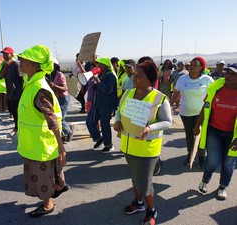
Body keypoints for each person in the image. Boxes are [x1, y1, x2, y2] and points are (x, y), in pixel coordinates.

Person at [114, 61, 171, 225]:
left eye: (139, 76)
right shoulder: (128, 94)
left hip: (147, 150)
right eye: (134, 75)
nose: (134, 78)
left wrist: (150, 128)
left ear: (150, 78)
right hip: (128, 146)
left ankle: (151, 210)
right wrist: (117, 121)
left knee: (145, 184)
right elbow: (119, 111)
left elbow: (167, 121)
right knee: (135, 178)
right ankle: (138, 204)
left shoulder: (160, 98)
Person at [17, 44, 68, 217]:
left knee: (42, 176)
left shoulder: (39, 88)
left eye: (23, 60)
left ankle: (48, 205)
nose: (20, 62)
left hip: (41, 143)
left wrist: (61, 146)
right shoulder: (31, 83)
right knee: (46, 173)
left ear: (35, 65)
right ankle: (59, 186)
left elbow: (52, 119)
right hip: (34, 141)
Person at [193, 63, 237, 200]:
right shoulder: (216, 87)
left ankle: (222, 187)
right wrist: (197, 125)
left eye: (232, 74)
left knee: (228, 163)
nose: (227, 76)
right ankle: (205, 180)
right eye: (227, 73)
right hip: (214, 131)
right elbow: (205, 107)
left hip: (233, 135)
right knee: (212, 159)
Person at [170, 56, 214, 168]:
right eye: (191, 64)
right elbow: (176, 93)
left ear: (201, 68)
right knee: (189, 135)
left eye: (195, 65)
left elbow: (214, 93)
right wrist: (169, 105)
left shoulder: (207, 79)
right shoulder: (182, 79)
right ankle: (190, 155)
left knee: (202, 135)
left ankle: (201, 156)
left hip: (202, 113)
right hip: (186, 113)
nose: (192, 67)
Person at [86, 57, 118, 153]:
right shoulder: (100, 75)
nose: (98, 66)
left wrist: (99, 82)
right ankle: (98, 138)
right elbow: (97, 88)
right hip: (97, 103)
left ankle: (108, 145)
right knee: (89, 122)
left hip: (106, 105)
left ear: (106, 66)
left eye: (100, 64)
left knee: (105, 125)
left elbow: (109, 90)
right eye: (98, 64)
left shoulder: (111, 76)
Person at [0, 47, 23, 136]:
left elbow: (21, 78)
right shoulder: (4, 65)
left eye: (6, 54)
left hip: (17, 92)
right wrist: (5, 67)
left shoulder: (16, 64)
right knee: (11, 110)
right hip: (9, 92)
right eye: (3, 54)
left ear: (11, 55)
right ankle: (18, 126)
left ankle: (17, 128)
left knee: (16, 111)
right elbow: (0, 76)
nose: (4, 56)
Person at [49, 63, 73, 143]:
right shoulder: (49, 75)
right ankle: (64, 134)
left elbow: (64, 88)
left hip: (63, 98)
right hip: (55, 99)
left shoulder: (60, 75)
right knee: (56, 117)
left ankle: (68, 131)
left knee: (60, 118)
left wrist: (54, 86)